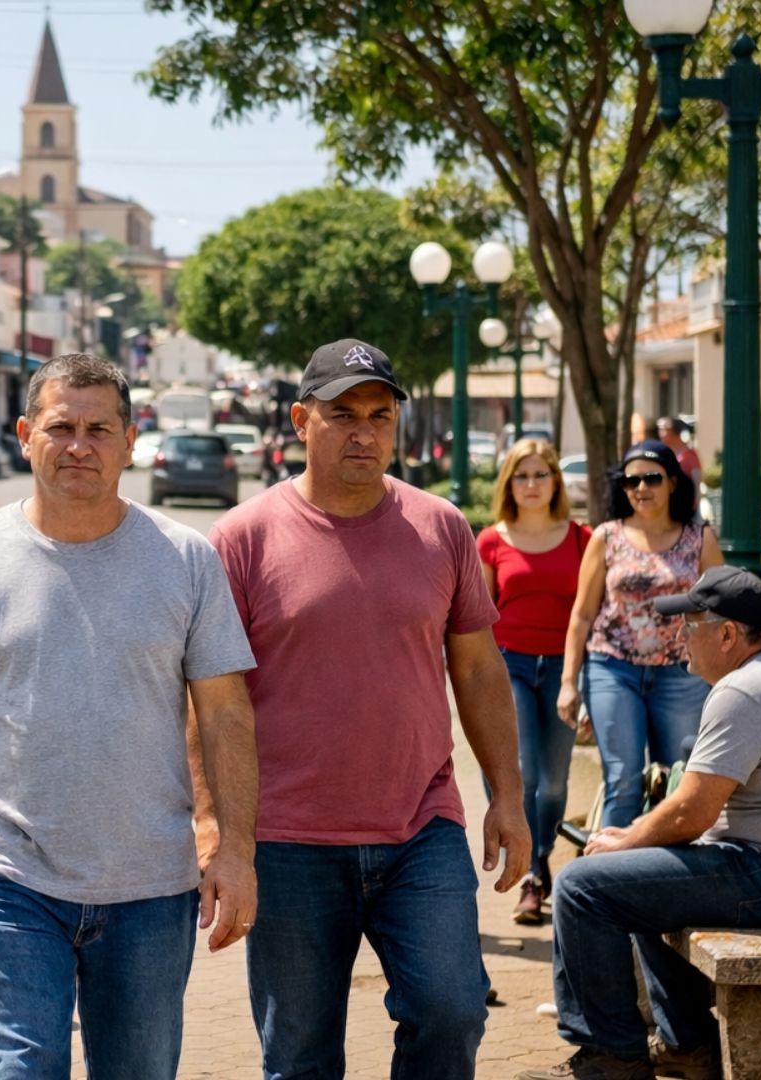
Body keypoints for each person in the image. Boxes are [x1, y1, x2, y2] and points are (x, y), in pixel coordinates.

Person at [0, 353, 260, 1080]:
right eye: (61, 427)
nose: (79, 446)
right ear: (26, 435)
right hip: (5, 875)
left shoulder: (186, 559)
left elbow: (225, 717)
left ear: (130, 441)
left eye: (99, 429)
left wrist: (235, 851)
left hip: (151, 884)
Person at [211, 339, 530, 1080]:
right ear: (300, 420)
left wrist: (507, 798)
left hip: (422, 827)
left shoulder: (442, 527)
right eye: (342, 414)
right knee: (299, 1056)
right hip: (288, 842)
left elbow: (480, 670)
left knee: (452, 1012)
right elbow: (210, 701)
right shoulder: (241, 539)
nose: (364, 432)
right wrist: (218, 832)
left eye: (380, 416)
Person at [521, 567, 761, 1080]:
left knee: (581, 887)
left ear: (728, 635)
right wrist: (636, 845)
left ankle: (610, 1058)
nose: (680, 636)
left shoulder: (745, 691)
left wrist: (627, 840)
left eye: (691, 624)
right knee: (633, 882)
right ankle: (686, 1045)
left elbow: (691, 813)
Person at [559, 440, 722, 831]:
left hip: (681, 673)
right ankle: (609, 879)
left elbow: (721, 607)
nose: (641, 488)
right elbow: (582, 614)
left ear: (672, 484)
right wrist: (568, 683)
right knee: (624, 780)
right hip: (613, 668)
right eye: (632, 481)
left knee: (679, 780)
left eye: (652, 478)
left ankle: (662, 879)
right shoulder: (606, 537)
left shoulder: (699, 538)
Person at [477, 439, 591, 924]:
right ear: (509, 484)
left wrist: (581, 678)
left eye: (540, 475)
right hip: (510, 665)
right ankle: (531, 873)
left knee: (554, 783)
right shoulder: (491, 540)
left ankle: (539, 854)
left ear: (555, 483)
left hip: (562, 668)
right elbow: (477, 620)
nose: (530, 485)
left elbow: (589, 613)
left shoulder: (581, 538)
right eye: (521, 476)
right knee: (521, 773)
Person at [655, 417, 703, 487]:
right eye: (660, 429)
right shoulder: (661, 454)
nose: (661, 432)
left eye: (665, 429)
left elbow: (696, 483)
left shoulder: (690, 455)